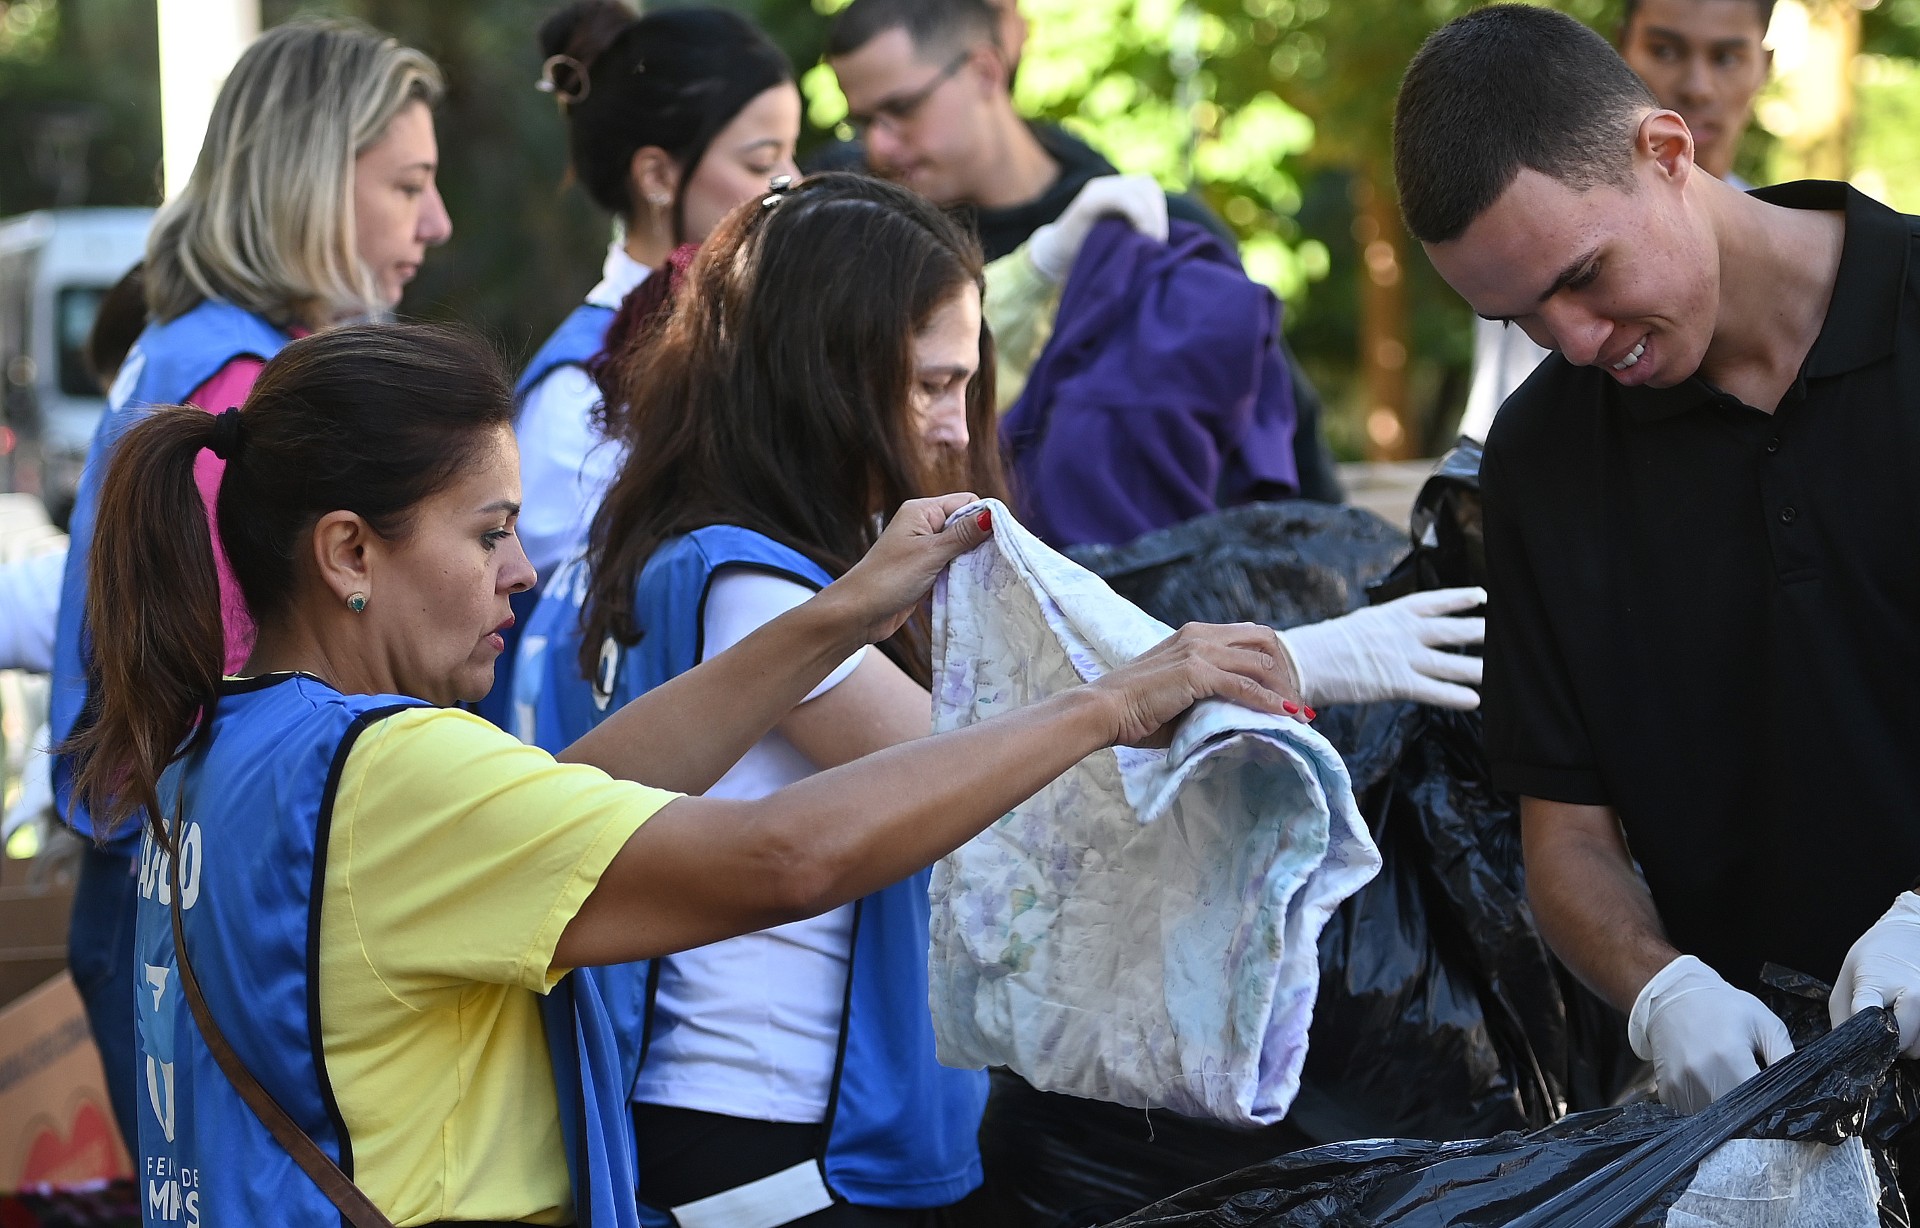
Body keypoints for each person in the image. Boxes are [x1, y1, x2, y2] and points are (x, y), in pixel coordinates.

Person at [68, 319, 1302, 1227]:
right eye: (489, 533)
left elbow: (570, 793)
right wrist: (1110, 704)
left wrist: (843, 611)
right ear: (348, 550)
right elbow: (786, 857)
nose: (522, 574)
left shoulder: (220, 748)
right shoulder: (386, 772)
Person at [1393, 4, 1920, 1117]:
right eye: (1523, 317)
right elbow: (1566, 837)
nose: (1576, 339)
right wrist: (1662, 987)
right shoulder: (1540, 458)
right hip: (1791, 1113)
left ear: (1668, 153)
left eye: (1584, 275)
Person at [518, 172, 1006, 1226]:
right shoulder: (755, 590)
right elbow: (991, 778)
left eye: (965, 385)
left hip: (757, 1135)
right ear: (819, 377)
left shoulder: (698, 556)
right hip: (770, 1144)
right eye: (929, 385)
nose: (957, 428)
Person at [47, 18, 448, 1152]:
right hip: (192, 902)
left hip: (140, 885)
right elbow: (251, 710)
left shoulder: (186, 345)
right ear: (311, 184)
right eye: (407, 184)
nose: (436, 222)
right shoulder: (244, 383)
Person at [825, 0, 1343, 509]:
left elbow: (1284, 428)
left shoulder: (1157, 229)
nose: (879, 147)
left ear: (985, 71)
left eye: (900, 110)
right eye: (862, 123)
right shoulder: (871, 245)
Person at [516, 1, 799, 584]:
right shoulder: (579, 389)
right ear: (657, 176)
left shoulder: (772, 330)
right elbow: (589, 615)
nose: (793, 184)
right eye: (763, 161)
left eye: (791, 154)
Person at [1457, 0, 1773, 441]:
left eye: (1725, 57)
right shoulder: (1545, 232)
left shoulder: (1780, 247)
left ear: (1764, 66)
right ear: (1620, 49)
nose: (1697, 87)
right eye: (1665, 50)